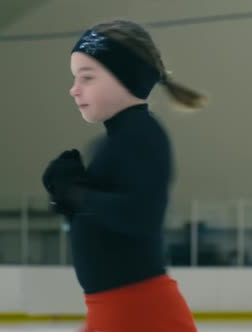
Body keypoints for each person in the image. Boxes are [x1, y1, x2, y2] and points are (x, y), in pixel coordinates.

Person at [42, 19, 205, 332]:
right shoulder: (114, 142)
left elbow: (140, 215)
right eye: (76, 77)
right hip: (115, 309)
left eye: (87, 77)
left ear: (124, 77)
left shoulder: (142, 136)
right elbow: (103, 219)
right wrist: (65, 198)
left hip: (138, 311)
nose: (74, 89)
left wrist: (76, 195)